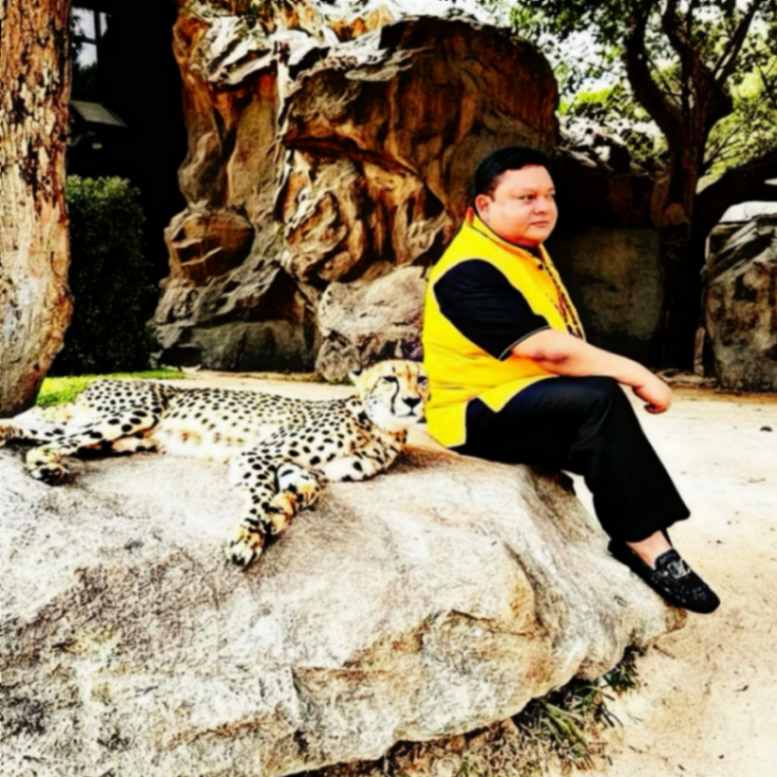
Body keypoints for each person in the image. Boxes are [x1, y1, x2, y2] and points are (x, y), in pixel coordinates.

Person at [422, 146, 719, 614]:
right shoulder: (468, 270)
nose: (543, 207)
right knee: (597, 400)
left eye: (549, 195)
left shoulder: (520, 252)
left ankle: (646, 535)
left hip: (525, 399)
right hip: (474, 414)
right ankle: (644, 543)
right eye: (526, 198)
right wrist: (637, 373)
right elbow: (545, 349)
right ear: (484, 205)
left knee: (602, 420)